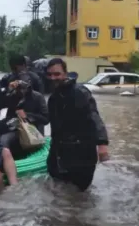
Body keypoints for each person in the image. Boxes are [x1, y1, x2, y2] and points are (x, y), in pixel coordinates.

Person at [44, 58, 109, 191]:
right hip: (59, 152)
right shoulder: (53, 98)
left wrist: (102, 145)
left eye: (57, 74)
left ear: (65, 73)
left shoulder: (80, 92)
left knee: (81, 195)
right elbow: (53, 125)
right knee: (56, 191)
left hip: (82, 154)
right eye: (50, 74)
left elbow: (94, 117)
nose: (53, 78)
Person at [0, 79, 49, 158]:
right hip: (14, 127)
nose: (21, 91)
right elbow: (0, 104)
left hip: (31, 129)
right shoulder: (13, 95)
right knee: (1, 138)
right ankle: (5, 161)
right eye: (19, 88)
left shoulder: (37, 97)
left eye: (23, 88)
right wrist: (8, 89)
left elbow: (46, 119)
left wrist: (28, 115)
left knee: (5, 139)